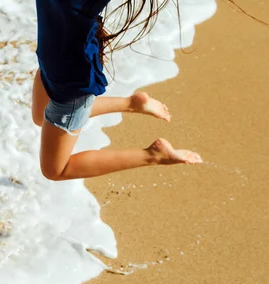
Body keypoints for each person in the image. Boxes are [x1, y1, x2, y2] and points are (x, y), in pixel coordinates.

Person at [33, 0, 203, 181]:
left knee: (56, 170)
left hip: (71, 80)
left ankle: (154, 154)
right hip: (52, 56)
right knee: (39, 117)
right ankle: (131, 104)